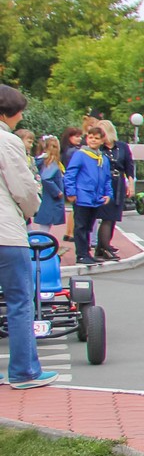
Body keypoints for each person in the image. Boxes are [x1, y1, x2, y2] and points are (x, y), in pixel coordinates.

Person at [0, 84, 58, 388]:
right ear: (11, 112)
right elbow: (23, 188)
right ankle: (24, 371)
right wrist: (30, 209)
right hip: (6, 233)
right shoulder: (7, 142)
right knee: (20, 301)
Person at [63, 126, 113, 265]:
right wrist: (71, 192)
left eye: (97, 138)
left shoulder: (103, 158)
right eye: (90, 137)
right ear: (87, 138)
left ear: (102, 140)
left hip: (96, 198)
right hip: (82, 196)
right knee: (80, 226)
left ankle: (86, 253)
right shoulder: (81, 154)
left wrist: (108, 194)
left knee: (89, 227)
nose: (93, 140)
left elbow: (107, 178)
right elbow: (70, 174)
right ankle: (81, 254)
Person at [94, 119, 136, 261]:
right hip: (104, 182)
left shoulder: (122, 147)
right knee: (106, 216)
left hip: (118, 183)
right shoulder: (99, 149)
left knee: (113, 218)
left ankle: (101, 248)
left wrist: (130, 184)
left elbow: (129, 166)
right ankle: (104, 247)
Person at [30, 136, 65, 234]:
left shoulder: (41, 160)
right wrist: (57, 192)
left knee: (45, 223)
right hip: (50, 197)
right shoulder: (51, 162)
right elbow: (47, 178)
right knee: (46, 223)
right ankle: (42, 243)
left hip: (45, 195)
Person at [59, 126, 82, 242]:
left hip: (69, 181)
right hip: (76, 181)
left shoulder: (65, 150)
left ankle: (68, 232)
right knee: (77, 209)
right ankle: (71, 233)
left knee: (74, 208)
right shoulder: (74, 151)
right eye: (76, 136)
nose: (79, 139)